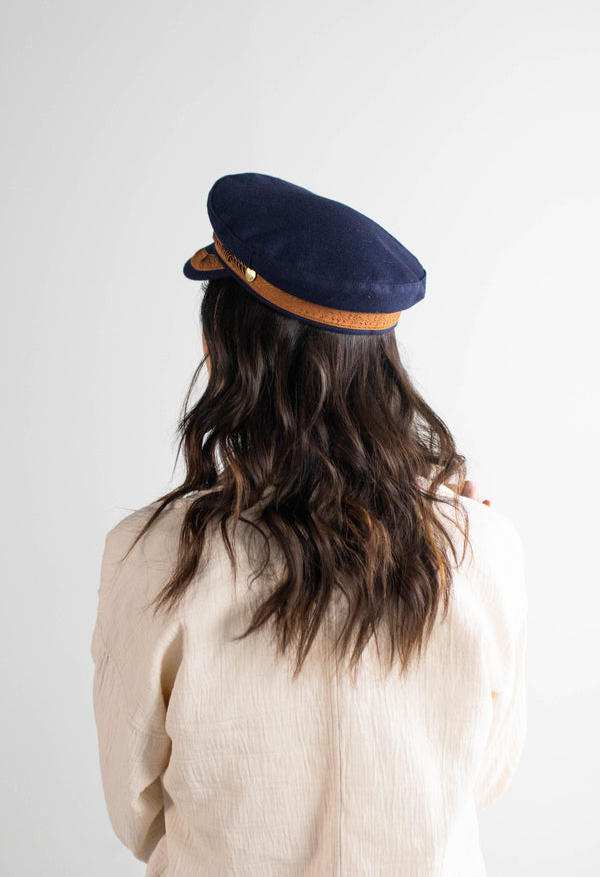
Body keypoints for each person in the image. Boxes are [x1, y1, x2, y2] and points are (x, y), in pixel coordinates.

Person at [91, 173, 527, 876]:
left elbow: (135, 807)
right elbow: (484, 777)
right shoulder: (483, 546)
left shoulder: (153, 555)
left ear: (226, 351)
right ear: (381, 363)